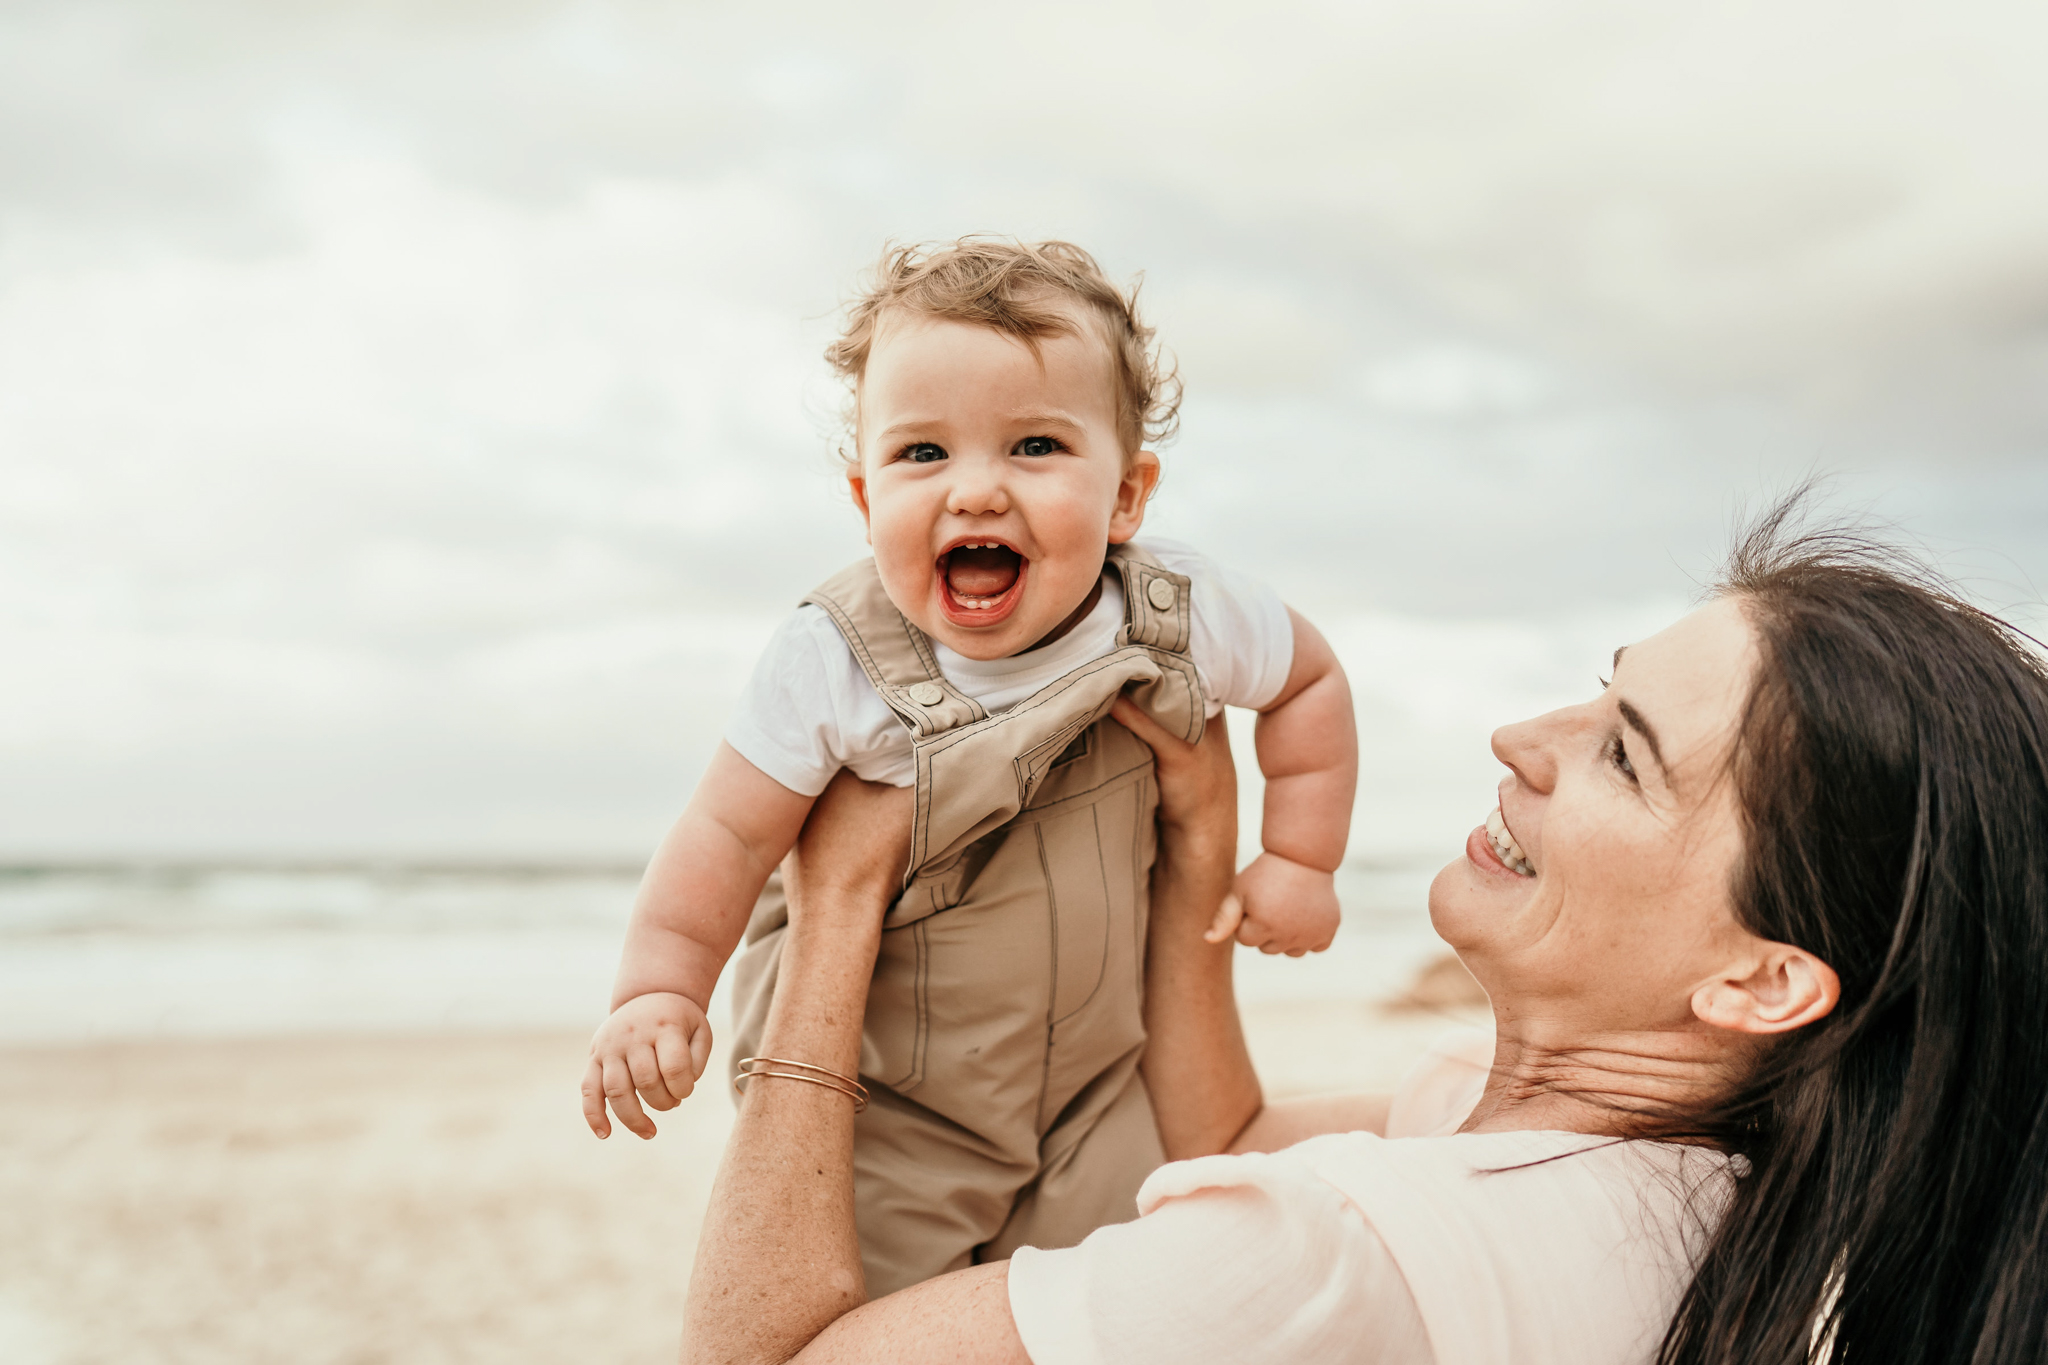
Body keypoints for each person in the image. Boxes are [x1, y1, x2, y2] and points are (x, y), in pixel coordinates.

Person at [679, 502, 2048, 1364]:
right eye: (1596, 693)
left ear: (1761, 980)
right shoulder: (1708, 1189)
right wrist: (1204, 854)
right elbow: (1220, 1132)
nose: (1524, 739)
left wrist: (842, 904)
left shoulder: (1326, 1258)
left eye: (1626, 757)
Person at [582, 239, 1360, 1293]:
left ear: (1127, 496)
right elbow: (725, 834)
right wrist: (660, 989)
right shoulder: (833, 663)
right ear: (863, 501)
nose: (976, 491)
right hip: (889, 1108)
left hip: (1094, 1087)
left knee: (1127, 1290)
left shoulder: (1180, 611)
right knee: (862, 1312)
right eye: (922, 455)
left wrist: (1298, 858)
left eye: (1034, 445)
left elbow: (1308, 682)